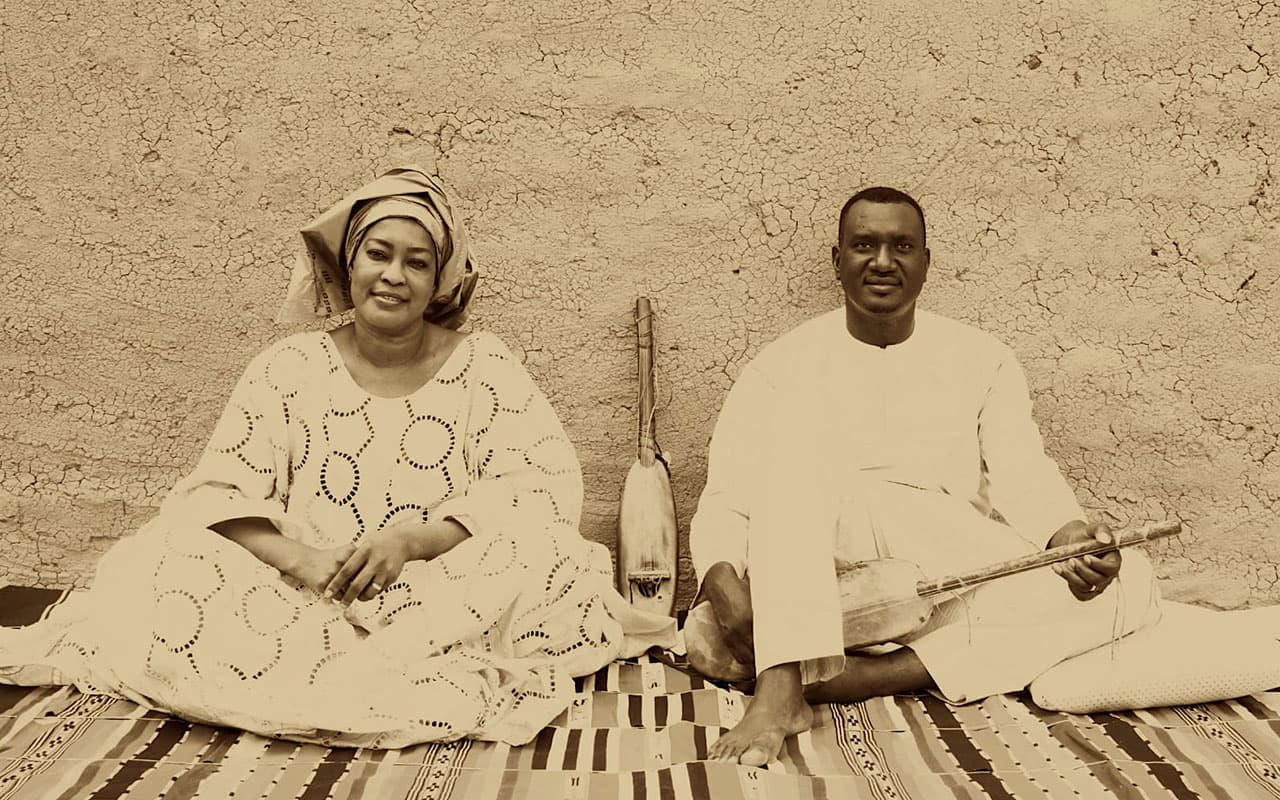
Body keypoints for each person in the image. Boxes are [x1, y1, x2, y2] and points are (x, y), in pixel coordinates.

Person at [0, 166, 673, 748]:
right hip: (303, 589)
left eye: (417, 261)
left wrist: (412, 542)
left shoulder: (484, 366)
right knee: (164, 556)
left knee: (553, 559)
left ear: (439, 277)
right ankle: (358, 675)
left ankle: (339, 674)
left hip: (439, 588)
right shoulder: (291, 366)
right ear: (348, 262)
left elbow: (542, 487)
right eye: (378, 253)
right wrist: (307, 561)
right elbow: (217, 494)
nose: (393, 275)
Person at [684, 186, 1161, 766]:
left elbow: (1023, 470)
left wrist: (1067, 540)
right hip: (818, 558)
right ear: (838, 261)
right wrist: (723, 583)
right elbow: (729, 497)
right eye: (864, 245)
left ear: (925, 262)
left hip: (943, 558)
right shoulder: (781, 368)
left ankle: (868, 675)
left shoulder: (983, 358)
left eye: (901, 246)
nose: (882, 262)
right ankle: (782, 685)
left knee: (1132, 591)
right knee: (793, 476)